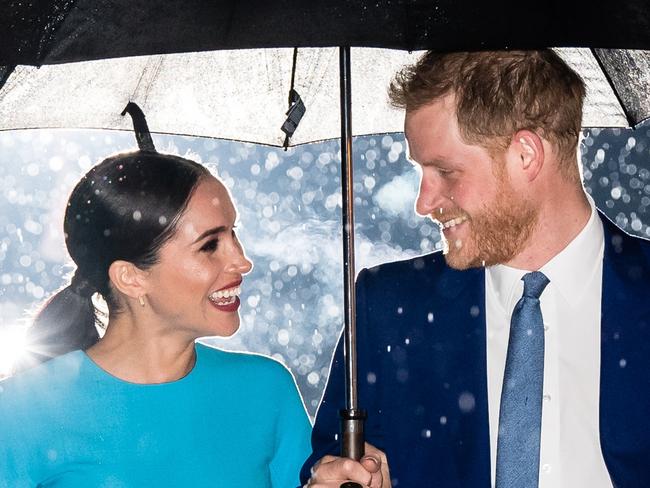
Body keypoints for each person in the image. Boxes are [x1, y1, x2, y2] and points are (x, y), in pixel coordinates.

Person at [301, 50, 650, 487]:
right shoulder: (388, 308)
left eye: (444, 171)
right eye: (421, 172)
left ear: (526, 155)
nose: (424, 202)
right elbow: (331, 460)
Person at [0, 144, 311, 486]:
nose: (241, 262)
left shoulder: (266, 390)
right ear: (131, 277)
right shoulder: (18, 412)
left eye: (233, 234)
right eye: (210, 245)